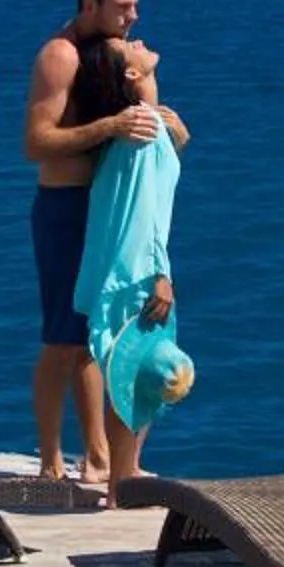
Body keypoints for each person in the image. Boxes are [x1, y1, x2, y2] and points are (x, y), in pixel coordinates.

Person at [23, 0, 160, 490]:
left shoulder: (119, 53)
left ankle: (99, 456)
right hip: (65, 208)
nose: (133, 16)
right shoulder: (61, 56)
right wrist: (109, 126)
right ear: (88, 4)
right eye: (122, 6)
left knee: (100, 335)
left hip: (108, 207)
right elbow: (37, 141)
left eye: (135, 5)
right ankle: (50, 460)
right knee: (64, 339)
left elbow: (147, 126)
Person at [70, 37, 193, 494]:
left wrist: (177, 142)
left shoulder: (140, 126)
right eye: (130, 47)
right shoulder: (143, 128)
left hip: (120, 263)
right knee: (138, 373)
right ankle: (120, 487)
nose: (138, 40)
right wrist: (161, 273)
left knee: (136, 369)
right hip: (138, 266)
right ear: (131, 74)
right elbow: (148, 208)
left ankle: (127, 472)